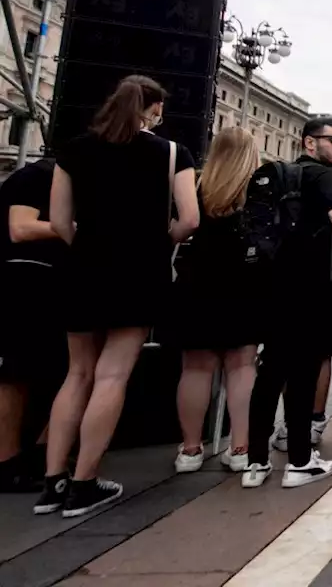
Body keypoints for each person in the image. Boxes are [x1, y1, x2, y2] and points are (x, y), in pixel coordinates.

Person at [38, 75, 200, 517]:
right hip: (138, 272)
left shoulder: (74, 149)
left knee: (76, 375)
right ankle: (83, 484)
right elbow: (189, 220)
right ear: (154, 110)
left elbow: (58, 222)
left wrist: (88, 248)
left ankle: (52, 483)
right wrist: (157, 240)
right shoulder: (171, 153)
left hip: (84, 268)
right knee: (111, 377)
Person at [243, 115, 332, 489]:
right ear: (310, 143)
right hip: (312, 285)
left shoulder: (276, 173)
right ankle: (300, 462)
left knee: (270, 372)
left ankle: (255, 463)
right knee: (304, 372)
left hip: (273, 284)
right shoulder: (324, 176)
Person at [168, 127, 264, 474]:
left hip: (199, 280)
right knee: (242, 366)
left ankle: (191, 450)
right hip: (245, 281)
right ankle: (241, 448)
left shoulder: (195, 183)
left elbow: (184, 226)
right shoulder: (257, 187)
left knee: (195, 368)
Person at [0, 150, 68, 493]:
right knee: (14, 373)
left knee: (56, 372)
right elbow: (20, 227)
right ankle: (6, 461)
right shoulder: (39, 176)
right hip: (21, 281)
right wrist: (72, 228)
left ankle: (40, 457)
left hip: (49, 284)